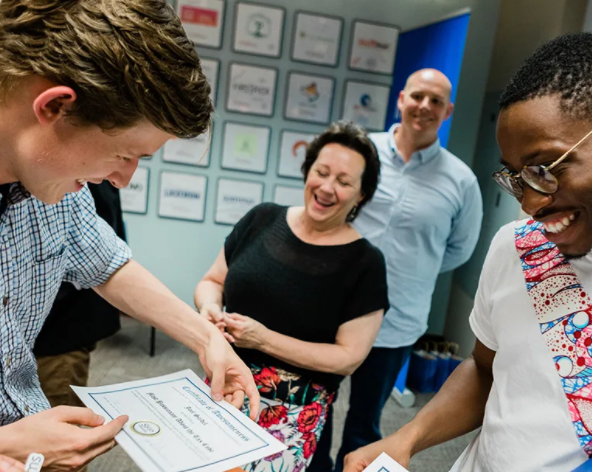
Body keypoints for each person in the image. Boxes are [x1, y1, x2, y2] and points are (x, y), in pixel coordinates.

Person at [344, 32, 592, 472]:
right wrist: (407, 439)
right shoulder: (519, 246)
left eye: (545, 169)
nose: (531, 203)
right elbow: (484, 369)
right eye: (517, 177)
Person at [0, 1, 259, 470]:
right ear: (55, 106)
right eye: (123, 154)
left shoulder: (52, 187)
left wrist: (206, 338)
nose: (122, 180)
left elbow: (108, 263)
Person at [195, 121, 390, 472]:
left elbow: (347, 358)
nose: (327, 187)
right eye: (322, 171)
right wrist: (208, 307)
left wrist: (264, 339)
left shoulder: (366, 263)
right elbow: (212, 280)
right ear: (307, 170)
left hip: (292, 416)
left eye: (344, 182)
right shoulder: (262, 218)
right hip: (222, 387)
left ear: (362, 195)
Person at [314, 69, 483, 472]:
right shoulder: (360, 154)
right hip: (329, 313)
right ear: (402, 99)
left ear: (448, 111)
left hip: (397, 321)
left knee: (365, 425)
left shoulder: (462, 181)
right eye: (418, 96)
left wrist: (413, 271)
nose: (425, 107)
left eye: (436, 101)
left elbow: (459, 250)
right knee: (315, 410)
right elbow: (322, 210)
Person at [34, 181, 126, 415]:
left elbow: (104, 260)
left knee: (57, 414)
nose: (124, 177)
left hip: (61, 328)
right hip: (29, 337)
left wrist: (203, 336)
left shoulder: (89, 183)